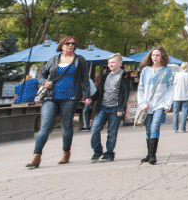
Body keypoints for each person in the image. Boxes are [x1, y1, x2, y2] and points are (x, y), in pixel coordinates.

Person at [26, 36, 92, 169]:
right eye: (67, 43)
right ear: (61, 45)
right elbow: (41, 75)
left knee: (66, 126)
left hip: (70, 97)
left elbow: (85, 79)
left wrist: (87, 96)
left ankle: (66, 153)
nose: (70, 45)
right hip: (51, 97)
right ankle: (36, 156)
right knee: (45, 126)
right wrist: (45, 83)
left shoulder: (80, 60)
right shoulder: (54, 60)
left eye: (73, 43)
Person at [89, 54, 131, 162]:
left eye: (114, 62)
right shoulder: (105, 76)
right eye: (109, 63)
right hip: (102, 107)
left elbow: (125, 93)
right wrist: (91, 99)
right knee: (95, 129)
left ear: (120, 63)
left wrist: (121, 108)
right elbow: (99, 91)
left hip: (115, 108)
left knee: (112, 132)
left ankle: (109, 154)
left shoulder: (124, 76)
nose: (111, 64)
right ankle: (97, 151)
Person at [137, 46, 174, 165]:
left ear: (162, 56)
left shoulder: (167, 70)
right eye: (153, 55)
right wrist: (143, 104)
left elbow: (170, 88)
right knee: (148, 130)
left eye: (157, 55)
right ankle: (149, 154)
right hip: (147, 105)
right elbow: (140, 89)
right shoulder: (145, 71)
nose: (155, 57)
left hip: (160, 104)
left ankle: (153, 155)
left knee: (155, 127)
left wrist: (168, 104)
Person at [172, 62, 188, 133]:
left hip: (176, 96)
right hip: (186, 96)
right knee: (184, 112)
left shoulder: (177, 74)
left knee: (176, 113)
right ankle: (182, 128)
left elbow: (174, 84)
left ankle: (175, 129)